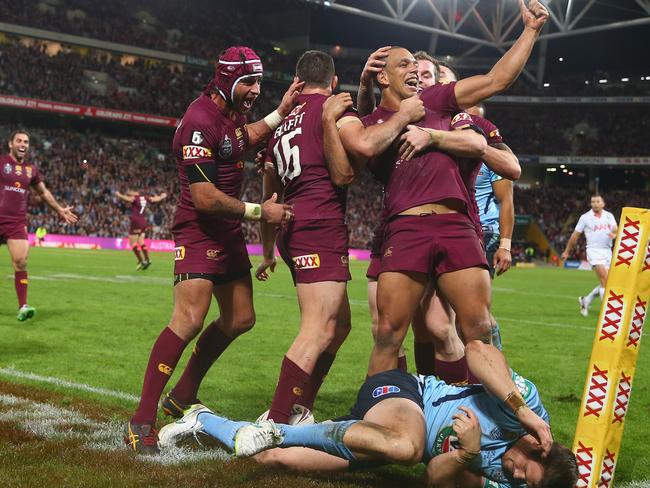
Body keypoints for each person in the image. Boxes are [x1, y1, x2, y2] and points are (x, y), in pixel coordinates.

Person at [332, 0, 547, 379]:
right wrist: (392, 108)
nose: (416, 73)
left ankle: (480, 412)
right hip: (406, 228)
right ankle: (379, 415)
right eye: (405, 66)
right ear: (383, 78)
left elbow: (496, 80)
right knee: (388, 333)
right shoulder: (373, 123)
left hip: (456, 224)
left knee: (477, 328)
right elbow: (361, 149)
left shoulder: (438, 100)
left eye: (418, 69)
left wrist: (529, 31)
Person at [125, 46, 302, 454]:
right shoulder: (199, 121)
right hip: (200, 229)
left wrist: (279, 111)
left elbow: (240, 140)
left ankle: (183, 392)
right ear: (227, 80)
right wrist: (262, 212)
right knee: (188, 320)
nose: (256, 89)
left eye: (259, 81)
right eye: (249, 82)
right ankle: (142, 420)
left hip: (227, 231)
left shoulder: (230, 116)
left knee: (241, 318)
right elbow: (204, 197)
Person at [255, 50, 426, 423]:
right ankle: (277, 423)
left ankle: (300, 408)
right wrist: (399, 116)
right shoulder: (332, 110)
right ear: (333, 83)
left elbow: (269, 193)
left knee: (341, 325)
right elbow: (353, 162)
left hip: (292, 229)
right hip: (318, 225)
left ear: (297, 83)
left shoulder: (282, 125)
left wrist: (268, 249)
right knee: (317, 329)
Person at [158, 341, 577, 487]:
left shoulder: (509, 477)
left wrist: (466, 456)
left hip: (388, 442)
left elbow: (434, 481)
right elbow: (479, 351)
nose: (516, 476)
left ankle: (202, 418)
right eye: (526, 471)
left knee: (272, 459)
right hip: (404, 392)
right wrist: (520, 409)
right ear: (539, 449)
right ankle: (281, 430)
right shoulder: (527, 411)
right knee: (408, 446)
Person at [0, 129, 78, 321]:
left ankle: (23, 306)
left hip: (16, 221)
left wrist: (60, 210)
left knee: (21, 261)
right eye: (19, 141)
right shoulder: (2, 163)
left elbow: (43, 193)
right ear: (10, 144)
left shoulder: (31, 170)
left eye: (26, 142)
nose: (23, 145)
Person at [561, 194, 618, 317]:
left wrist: (614, 234)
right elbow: (575, 235)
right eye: (593, 202)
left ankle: (585, 300)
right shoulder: (585, 218)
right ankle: (607, 313)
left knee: (607, 282)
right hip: (594, 251)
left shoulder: (609, 216)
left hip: (608, 251)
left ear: (603, 203)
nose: (595, 204)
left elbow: (616, 229)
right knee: (605, 280)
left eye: (598, 201)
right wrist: (567, 251)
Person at [115, 189, 167, 270]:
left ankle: (141, 261)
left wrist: (119, 195)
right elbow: (155, 199)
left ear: (137, 193)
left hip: (135, 221)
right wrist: (162, 196)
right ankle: (147, 259)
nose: (130, 193)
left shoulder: (136, 198)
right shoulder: (145, 198)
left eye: (132, 192)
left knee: (133, 244)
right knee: (141, 242)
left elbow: (128, 198)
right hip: (143, 222)